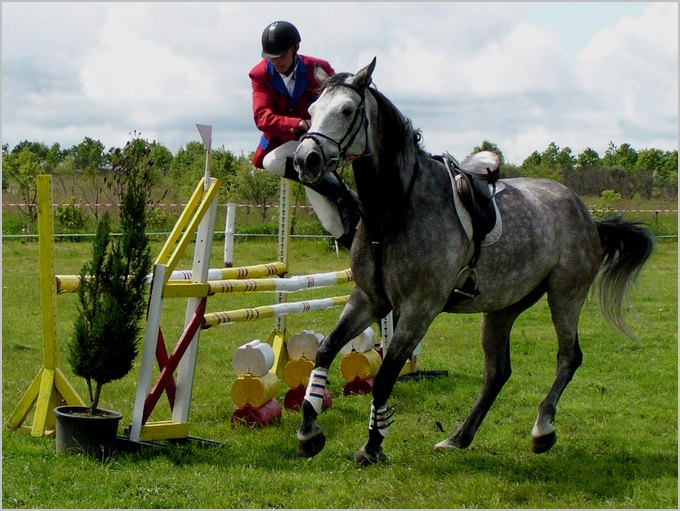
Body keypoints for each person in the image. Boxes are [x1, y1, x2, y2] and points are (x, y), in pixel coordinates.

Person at [249, 20, 360, 249]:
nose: (275, 62)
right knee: (271, 161)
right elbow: (262, 117)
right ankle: (343, 195)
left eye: (280, 56)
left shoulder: (318, 69)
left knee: (331, 220)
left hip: (322, 143)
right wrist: (299, 123)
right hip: (291, 144)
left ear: (294, 49)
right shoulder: (259, 74)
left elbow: (338, 102)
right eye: (271, 57)